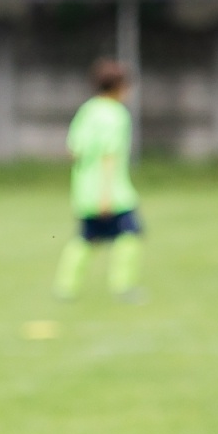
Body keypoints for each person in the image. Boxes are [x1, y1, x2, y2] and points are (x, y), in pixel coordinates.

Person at [54, 59, 143, 302]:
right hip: (112, 192)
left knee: (86, 238)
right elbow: (109, 156)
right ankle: (123, 286)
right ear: (119, 86)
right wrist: (106, 195)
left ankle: (65, 286)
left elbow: (73, 151)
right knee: (130, 235)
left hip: (84, 190)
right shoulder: (116, 115)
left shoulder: (87, 110)